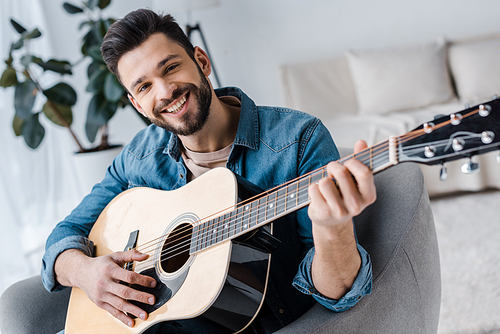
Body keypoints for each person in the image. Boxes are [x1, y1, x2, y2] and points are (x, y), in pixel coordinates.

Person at [42, 8, 376, 333]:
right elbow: (65, 235)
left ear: (202, 61)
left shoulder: (299, 140)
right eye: (144, 87)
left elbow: (336, 296)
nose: (164, 91)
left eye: (171, 67)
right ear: (136, 104)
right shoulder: (140, 156)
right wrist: (85, 272)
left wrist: (333, 230)